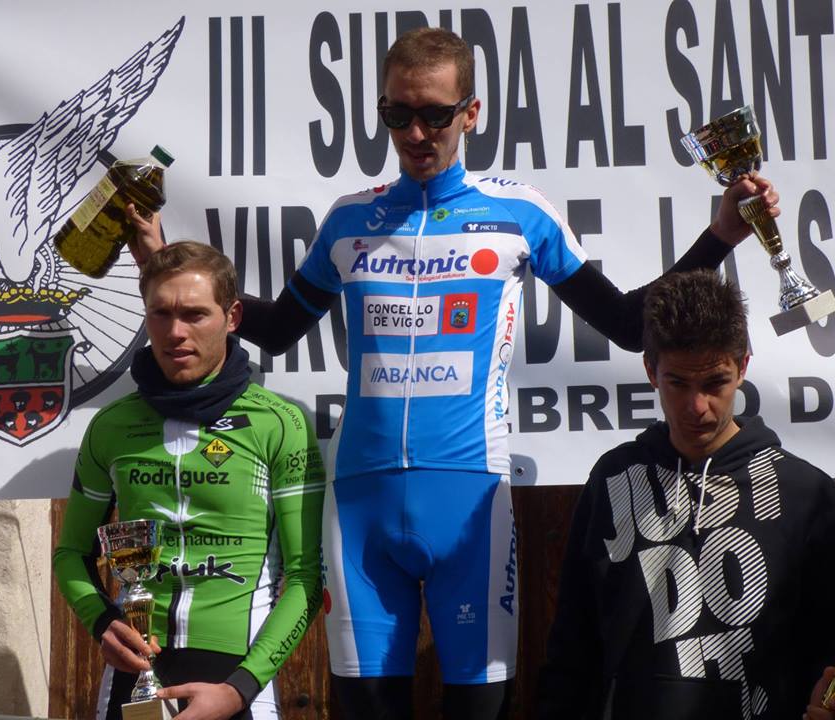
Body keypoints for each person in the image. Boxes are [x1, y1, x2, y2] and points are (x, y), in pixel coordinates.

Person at [126, 27, 780, 720]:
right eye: (397, 114)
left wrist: (720, 238)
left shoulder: (518, 213)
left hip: (470, 495)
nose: (416, 131)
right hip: (362, 502)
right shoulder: (350, 219)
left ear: (472, 112)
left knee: (480, 709)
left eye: (435, 114)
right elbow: (278, 328)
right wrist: (158, 259)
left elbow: (624, 323)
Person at [537, 269, 835, 720]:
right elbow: (573, 645)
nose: (697, 407)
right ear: (651, 370)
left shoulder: (809, 495)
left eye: (714, 383)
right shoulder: (612, 478)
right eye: (678, 383)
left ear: (743, 365)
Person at [54, 242, 325, 720]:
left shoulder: (280, 423)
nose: (175, 332)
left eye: (195, 315)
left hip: (238, 678)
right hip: (132, 675)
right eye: (160, 313)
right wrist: (100, 622)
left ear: (233, 316)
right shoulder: (111, 426)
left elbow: (303, 577)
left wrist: (240, 688)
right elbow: (71, 554)